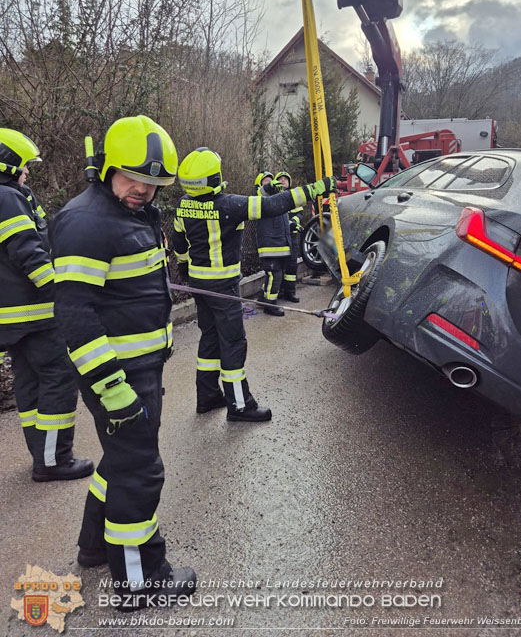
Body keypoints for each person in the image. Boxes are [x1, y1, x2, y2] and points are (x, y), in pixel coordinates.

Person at [50, 115, 196, 609]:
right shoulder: (86, 221)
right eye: (133, 177)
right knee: (140, 471)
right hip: (118, 376)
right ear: (107, 167)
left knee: (121, 461)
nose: (143, 189)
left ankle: (94, 547)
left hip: (138, 370)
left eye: (154, 182)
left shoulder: (130, 214)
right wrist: (114, 391)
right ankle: (141, 580)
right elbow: (73, 313)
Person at [172, 148, 335, 421]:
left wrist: (185, 266)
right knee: (233, 343)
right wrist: (317, 188)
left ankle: (208, 396)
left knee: (210, 339)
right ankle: (239, 405)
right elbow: (275, 204)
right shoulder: (229, 205)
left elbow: (179, 244)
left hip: (200, 286)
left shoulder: (182, 206)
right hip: (224, 286)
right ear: (215, 178)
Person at [0, 128, 93, 482]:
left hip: (13, 318)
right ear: (8, 165)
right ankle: (54, 460)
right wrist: (61, 288)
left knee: (28, 381)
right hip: (35, 312)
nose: (28, 172)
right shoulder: (8, 198)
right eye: (24, 166)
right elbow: (26, 249)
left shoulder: (8, 195)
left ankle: (42, 452)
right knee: (57, 378)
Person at [254, 170, 290, 317]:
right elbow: (261, 193)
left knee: (274, 274)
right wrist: (268, 187)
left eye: (271, 180)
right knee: (274, 274)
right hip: (269, 245)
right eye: (266, 181)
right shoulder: (259, 198)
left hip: (279, 244)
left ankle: (263, 297)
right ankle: (270, 305)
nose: (270, 183)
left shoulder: (277, 199)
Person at [273, 171, 303, 303]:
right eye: (280, 179)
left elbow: (300, 213)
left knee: (291, 265)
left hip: (292, 236)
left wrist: (294, 222)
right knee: (278, 265)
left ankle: (290, 292)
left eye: (286, 179)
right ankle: (277, 291)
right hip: (279, 237)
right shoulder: (273, 197)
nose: (283, 181)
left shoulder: (294, 197)